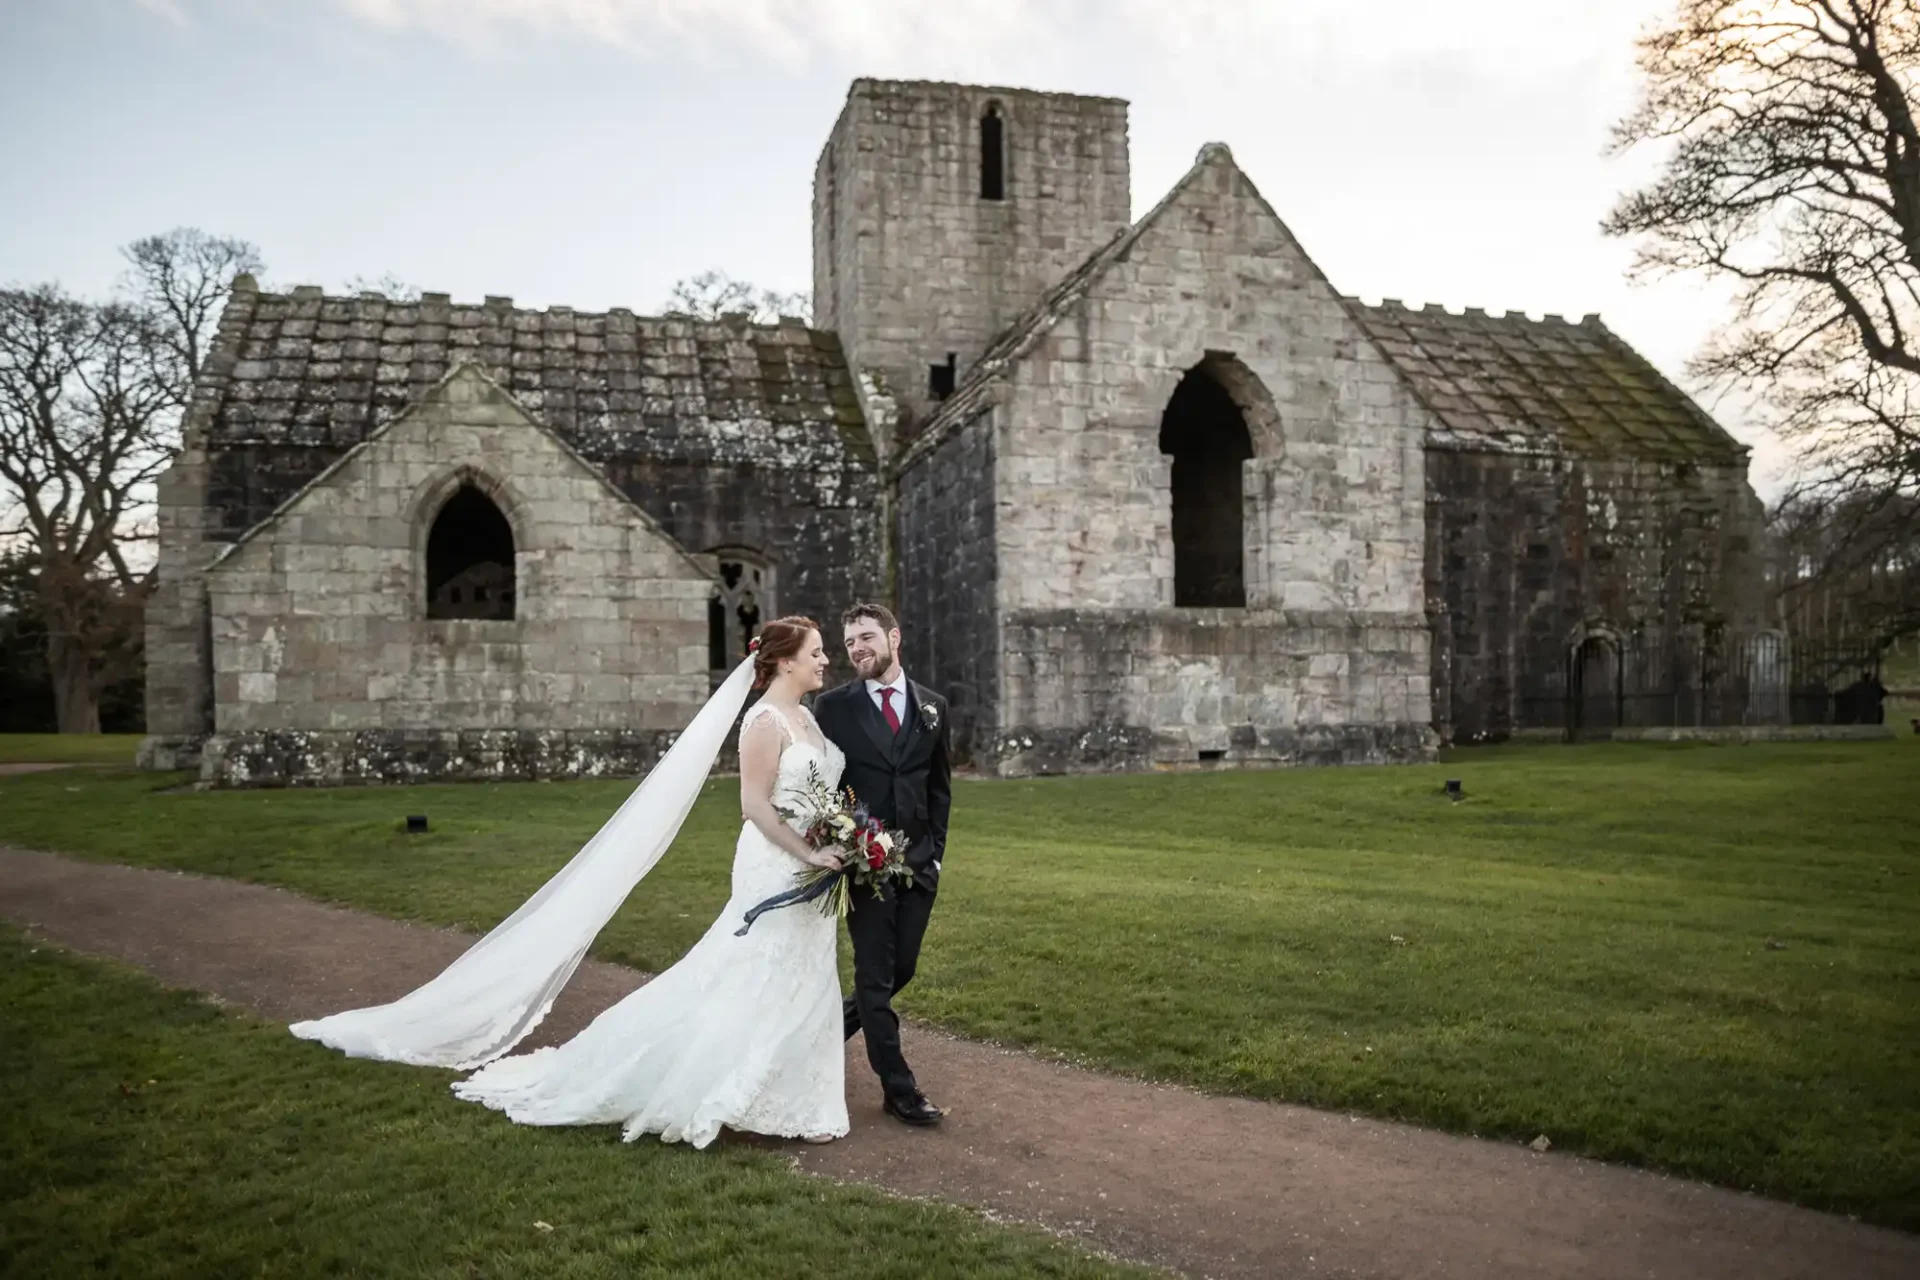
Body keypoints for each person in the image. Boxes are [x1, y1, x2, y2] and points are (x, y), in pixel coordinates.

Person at [292, 617, 852, 1149]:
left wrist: (840, 841)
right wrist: (809, 851)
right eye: (816, 653)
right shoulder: (764, 722)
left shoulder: (809, 718)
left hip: (812, 864)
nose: (826, 660)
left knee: (806, 970)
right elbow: (753, 805)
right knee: (757, 971)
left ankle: (799, 1096)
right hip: (774, 864)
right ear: (782, 663)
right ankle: (732, 1086)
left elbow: (813, 794)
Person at [812, 603, 952, 1127]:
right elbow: (819, 785)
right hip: (862, 866)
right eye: (849, 642)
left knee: (902, 970)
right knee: (874, 979)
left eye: (867, 637)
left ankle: (820, 1036)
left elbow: (939, 788)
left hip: (918, 865)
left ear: (895, 637)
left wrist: (934, 853)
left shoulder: (933, 706)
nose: (857, 649)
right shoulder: (833, 708)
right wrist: (844, 842)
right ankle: (900, 1089)